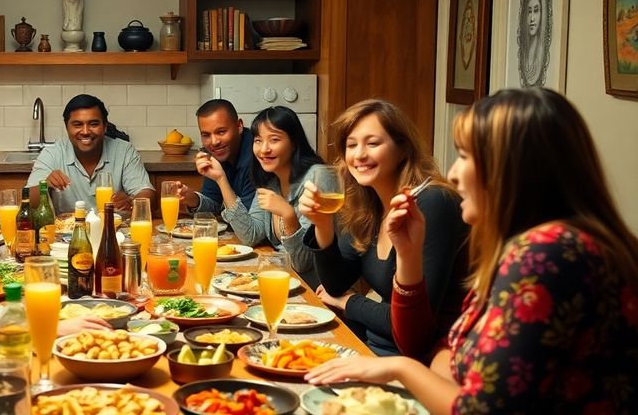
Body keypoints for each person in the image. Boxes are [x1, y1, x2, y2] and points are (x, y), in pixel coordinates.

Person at [306, 89, 638, 414]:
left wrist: (400, 369)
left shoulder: (547, 254)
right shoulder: (538, 244)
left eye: (465, 156)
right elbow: (456, 342)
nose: (452, 173)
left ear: (509, 167)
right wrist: (408, 255)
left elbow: (480, 406)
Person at [298, 99, 468, 357]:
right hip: (373, 344)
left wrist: (349, 302)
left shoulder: (431, 204)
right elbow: (334, 284)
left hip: (424, 360)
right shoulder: (366, 203)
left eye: (373, 143)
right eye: (351, 145)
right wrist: (322, 224)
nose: (359, 155)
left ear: (402, 149)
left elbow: (415, 325)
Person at [200, 106, 325, 287]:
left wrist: (288, 215)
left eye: (274, 140)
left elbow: (303, 262)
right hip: (280, 279)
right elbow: (250, 235)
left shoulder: (318, 177)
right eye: (258, 141)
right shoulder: (270, 181)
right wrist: (221, 179)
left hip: (315, 293)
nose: (264, 149)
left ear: (294, 142)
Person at [28, 94, 154, 214]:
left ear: (105, 126)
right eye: (77, 124)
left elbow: (145, 191)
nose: (85, 131)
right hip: (67, 232)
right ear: (67, 128)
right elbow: (29, 201)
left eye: (93, 124)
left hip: (116, 231)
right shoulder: (52, 153)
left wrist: (133, 203)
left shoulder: (124, 150)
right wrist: (45, 185)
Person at [176, 99, 256, 216]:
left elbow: (247, 223)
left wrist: (221, 179)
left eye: (221, 132)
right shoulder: (220, 153)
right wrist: (193, 199)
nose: (214, 142)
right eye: (206, 135)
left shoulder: (258, 156)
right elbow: (214, 203)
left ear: (239, 126)